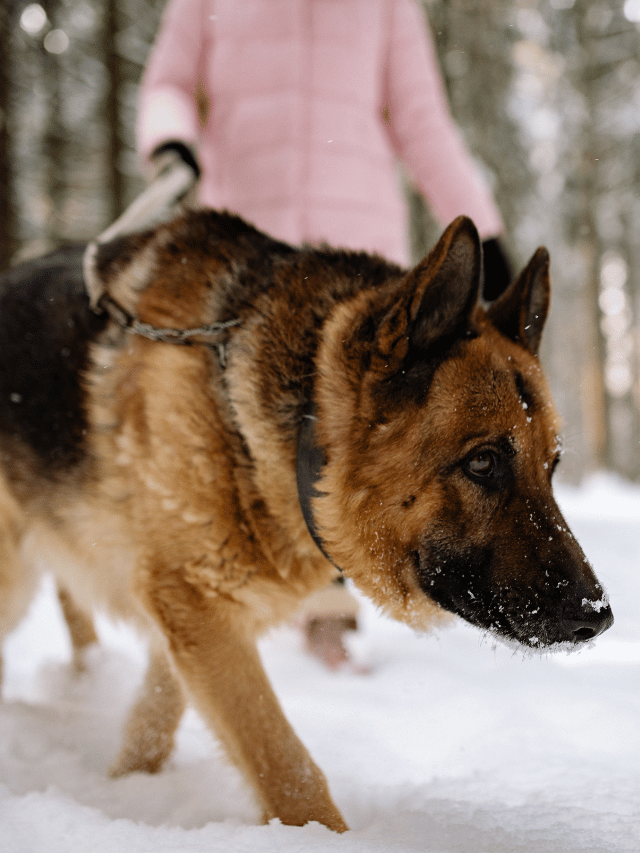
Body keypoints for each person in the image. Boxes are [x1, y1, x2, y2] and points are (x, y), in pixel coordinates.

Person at [136, 0, 512, 668]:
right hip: (251, 245)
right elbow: (167, 82)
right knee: (239, 430)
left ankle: (327, 615)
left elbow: (421, 122)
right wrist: (171, 142)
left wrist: (482, 228)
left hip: (356, 252)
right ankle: (236, 591)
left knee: (352, 428)